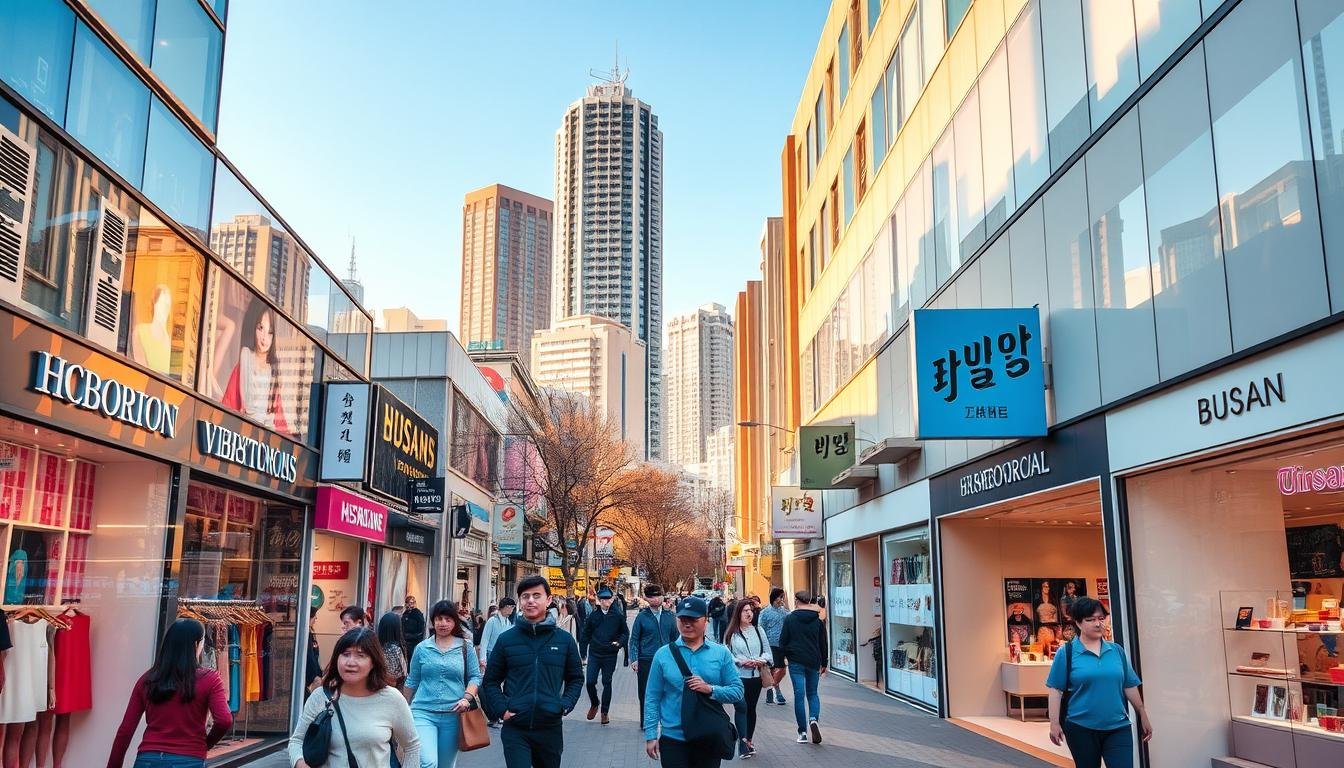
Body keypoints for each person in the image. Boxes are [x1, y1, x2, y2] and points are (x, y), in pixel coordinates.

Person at [480, 576, 584, 768]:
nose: (530, 600)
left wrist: (564, 705)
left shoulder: (564, 640)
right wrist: (502, 709)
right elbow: (490, 681)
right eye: (525, 596)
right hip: (516, 727)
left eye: (537, 595)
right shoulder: (506, 640)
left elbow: (576, 678)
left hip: (549, 727)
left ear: (548, 600)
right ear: (520, 601)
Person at [107, 618, 232, 768]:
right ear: (196, 644)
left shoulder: (147, 680)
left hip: (148, 759)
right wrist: (206, 744)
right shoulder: (210, 679)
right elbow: (224, 720)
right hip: (188, 760)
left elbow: (125, 731)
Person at [288, 627, 420, 767]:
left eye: (360, 655)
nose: (350, 662)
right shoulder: (321, 697)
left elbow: (412, 746)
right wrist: (300, 763)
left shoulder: (391, 699)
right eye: (346, 654)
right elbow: (296, 741)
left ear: (373, 662)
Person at [1047, 597, 1153, 768]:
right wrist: (1054, 723)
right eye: (1090, 619)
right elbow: (1056, 691)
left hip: (1118, 726)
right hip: (1080, 728)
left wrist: (1142, 713)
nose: (1098, 624)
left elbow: (1129, 685)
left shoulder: (1116, 651)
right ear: (1078, 623)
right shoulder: (1066, 653)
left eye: (1101, 618)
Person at [642, 596, 744, 768]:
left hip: (708, 736)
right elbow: (652, 697)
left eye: (693, 619)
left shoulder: (721, 653)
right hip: (673, 738)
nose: (687, 624)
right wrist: (651, 735)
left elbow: (737, 691)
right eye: (683, 619)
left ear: (706, 621)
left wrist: (710, 689)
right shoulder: (663, 655)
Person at [407, 600, 483, 768]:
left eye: (448, 619)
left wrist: (467, 698)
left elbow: (475, 677)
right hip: (423, 712)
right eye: (439, 619)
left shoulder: (465, 647)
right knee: (428, 762)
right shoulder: (422, 648)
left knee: (445, 765)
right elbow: (412, 680)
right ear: (433, 621)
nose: (443, 623)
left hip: (453, 714)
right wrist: (403, 708)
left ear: (455, 622)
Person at [221, 297, 290, 433]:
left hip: (265, 436)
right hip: (244, 434)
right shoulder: (244, 364)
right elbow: (228, 405)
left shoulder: (273, 372)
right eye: (260, 328)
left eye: (270, 332)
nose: (265, 338)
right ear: (253, 328)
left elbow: (280, 421)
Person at [779, 590, 828, 745]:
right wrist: (824, 663)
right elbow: (823, 643)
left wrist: (784, 658)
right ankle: (813, 719)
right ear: (809, 601)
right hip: (813, 661)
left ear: (796, 601)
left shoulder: (790, 619)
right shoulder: (817, 621)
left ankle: (802, 733)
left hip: (796, 661)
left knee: (799, 695)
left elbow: (782, 641)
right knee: (813, 693)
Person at [725, 599, 771, 759]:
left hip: (756, 677)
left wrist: (759, 660)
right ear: (738, 613)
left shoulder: (759, 630)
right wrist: (740, 661)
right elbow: (727, 654)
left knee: (751, 708)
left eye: (751, 610)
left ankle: (749, 740)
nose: (749, 613)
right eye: (745, 610)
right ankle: (742, 743)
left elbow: (768, 652)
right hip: (738, 677)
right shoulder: (731, 633)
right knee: (741, 707)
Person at [579, 585, 629, 725]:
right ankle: (595, 703)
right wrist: (583, 653)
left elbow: (625, 633)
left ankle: (604, 712)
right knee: (590, 682)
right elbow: (585, 635)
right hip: (595, 654)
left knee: (607, 682)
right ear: (599, 601)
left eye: (609, 599)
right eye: (604, 599)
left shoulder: (617, 616)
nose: (607, 602)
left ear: (612, 600)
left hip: (610, 654)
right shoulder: (593, 616)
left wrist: (619, 643)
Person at [630, 584, 678, 718]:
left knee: (667, 690)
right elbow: (634, 639)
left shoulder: (670, 616)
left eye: (658, 596)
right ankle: (646, 720)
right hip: (646, 659)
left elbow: (675, 639)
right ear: (646, 598)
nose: (656, 599)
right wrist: (634, 659)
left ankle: (665, 719)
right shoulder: (642, 616)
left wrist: (678, 658)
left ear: (663, 597)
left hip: (667, 659)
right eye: (652, 597)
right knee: (645, 691)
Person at [757, 589, 789, 706]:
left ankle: (772, 687)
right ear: (774, 598)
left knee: (782, 670)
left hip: (782, 644)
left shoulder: (784, 612)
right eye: (780, 597)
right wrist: (761, 645)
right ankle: (776, 691)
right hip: (770, 644)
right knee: (774, 669)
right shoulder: (765, 612)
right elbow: (760, 628)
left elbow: (791, 621)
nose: (782, 599)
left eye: (783, 597)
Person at [378, 612, 408, 689]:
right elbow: (404, 672)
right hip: (393, 687)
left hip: (378, 684)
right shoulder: (396, 649)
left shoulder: (376, 645)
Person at [305, 609, 324, 692]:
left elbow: (315, 656)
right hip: (310, 677)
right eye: (314, 615)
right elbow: (310, 656)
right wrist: (314, 676)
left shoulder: (311, 634)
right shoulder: (306, 635)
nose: (316, 618)